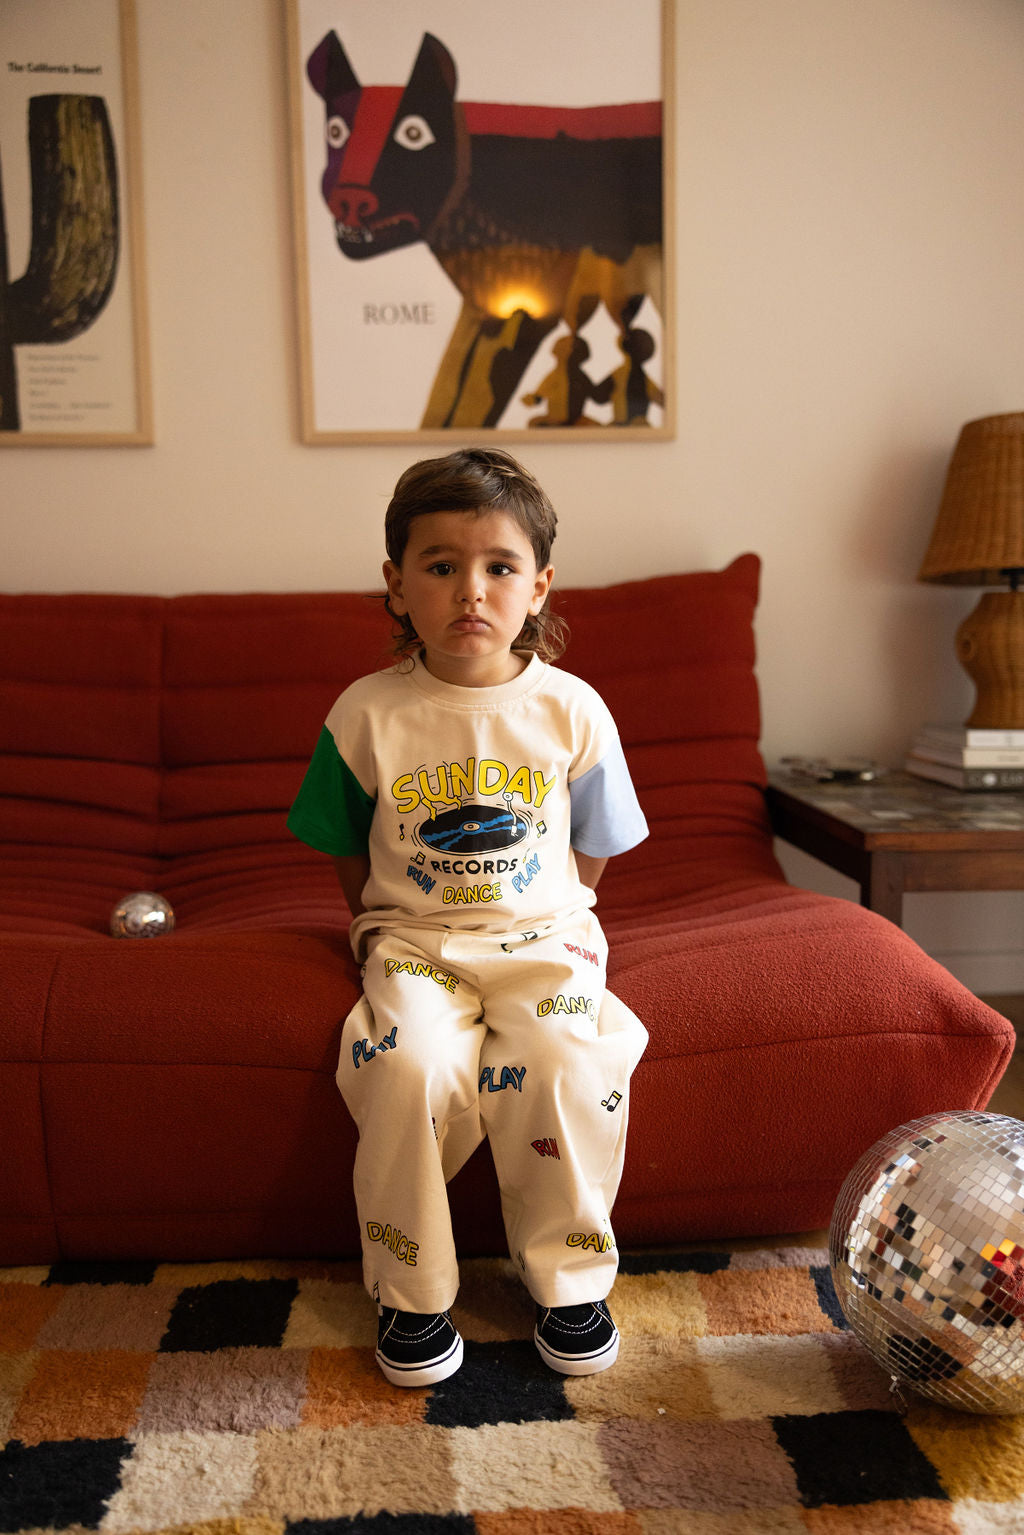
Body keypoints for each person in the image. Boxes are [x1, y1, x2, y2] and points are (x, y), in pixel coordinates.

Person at [287, 448, 649, 1387]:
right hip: (415, 946)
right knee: (406, 1067)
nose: (470, 591)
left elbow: (598, 844)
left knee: (568, 1063)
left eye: (499, 566)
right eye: (440, 566)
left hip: (545, 941)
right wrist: (382, 927)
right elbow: (343, 842)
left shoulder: (573, 710)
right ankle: (411, 1295)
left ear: (539, 586)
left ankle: (570, 1282)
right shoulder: (366, 713)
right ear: (396, 584)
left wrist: (559, 912)